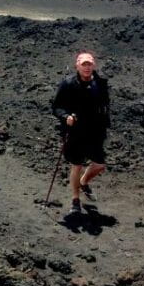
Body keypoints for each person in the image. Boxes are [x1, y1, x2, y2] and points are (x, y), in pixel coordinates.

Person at [52, 51, 110, 215]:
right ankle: (75, 200)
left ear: (94, 65)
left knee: (99, 165)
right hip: (75, 131)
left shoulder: (100, 83)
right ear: (77, 66)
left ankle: (83, 182)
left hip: (95, 131)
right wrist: (66, 117)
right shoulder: (68, 83)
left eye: (89, 64)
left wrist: (105, 123)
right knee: (76, 165)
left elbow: (105, 105)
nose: (87, 67)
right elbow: (56, 107)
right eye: (83, 64)